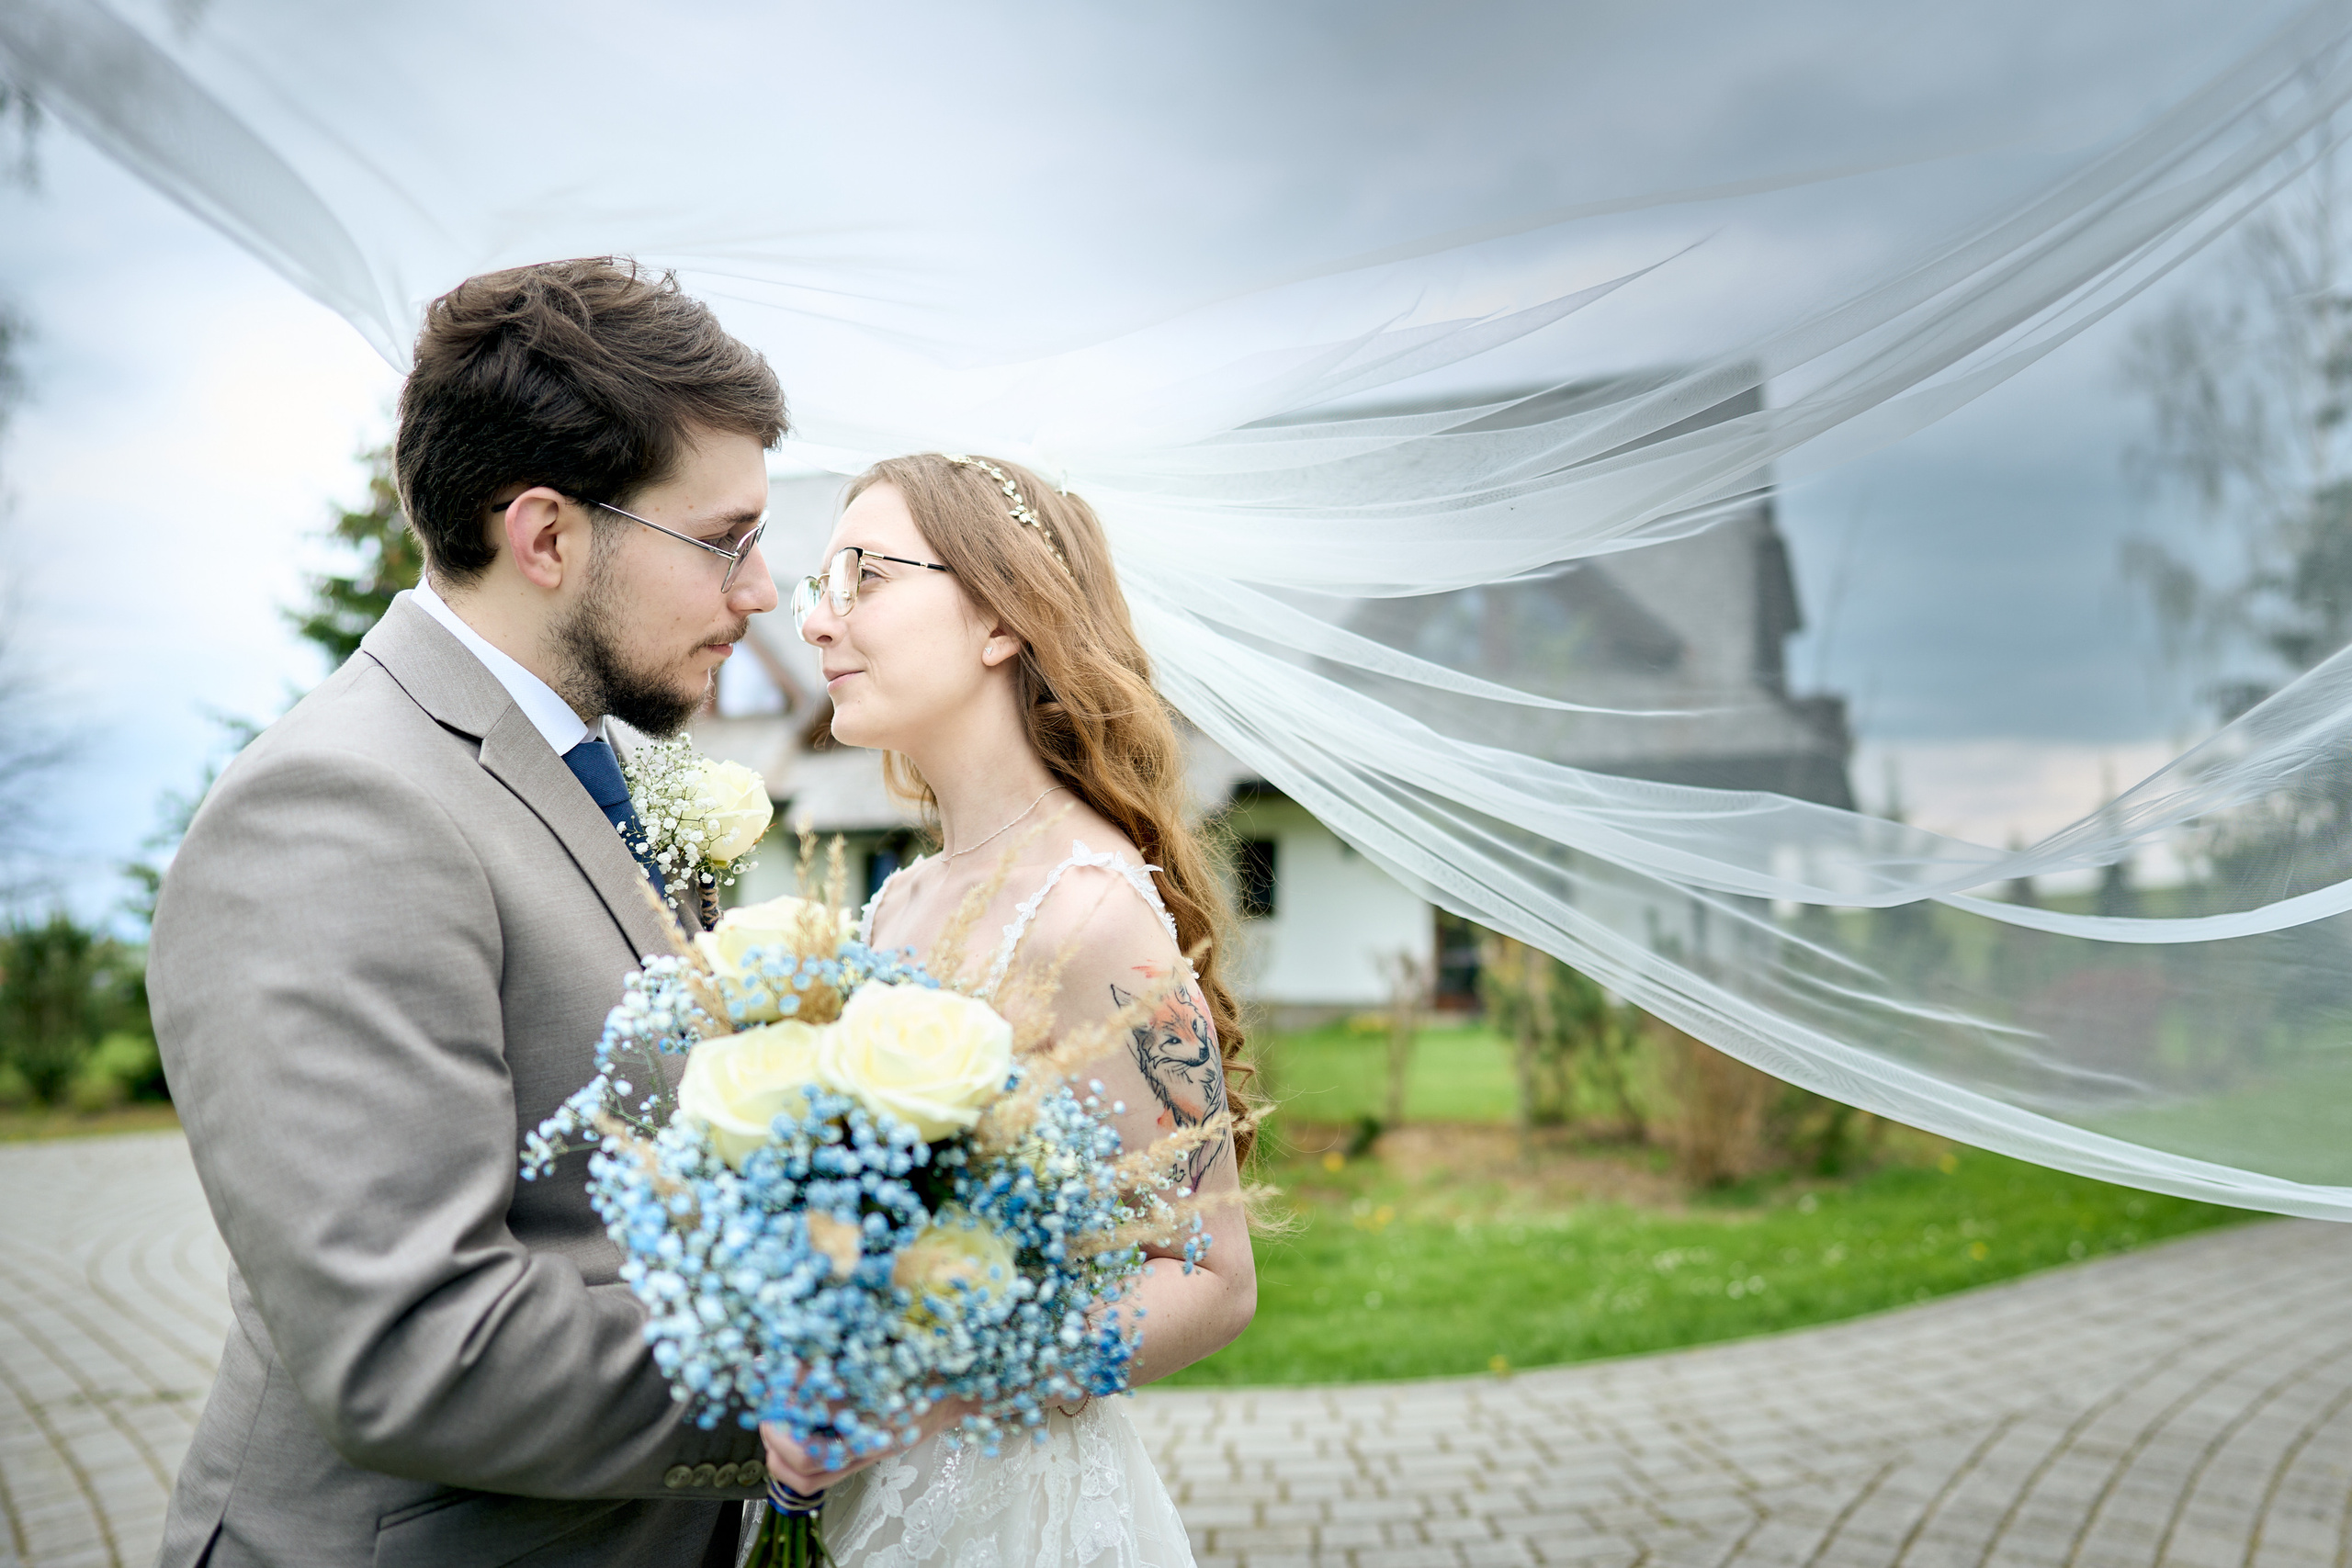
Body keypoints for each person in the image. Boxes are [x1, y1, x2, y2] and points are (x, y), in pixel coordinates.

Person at [150, 257, 786, 1567]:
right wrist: (839, 1359)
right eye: (723, 539)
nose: (763, 590)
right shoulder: (340, 808)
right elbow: (413, 1344)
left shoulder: (593, 764)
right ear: (545, 535)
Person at [775, 452, 1262, 1564]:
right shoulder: (898, 898)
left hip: (1011, 1512)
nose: (817, 621)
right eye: (820, 585)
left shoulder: (1088, 912)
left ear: (1001, 619)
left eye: (864, 575)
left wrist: (925, 1392)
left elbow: (1212, 1280)